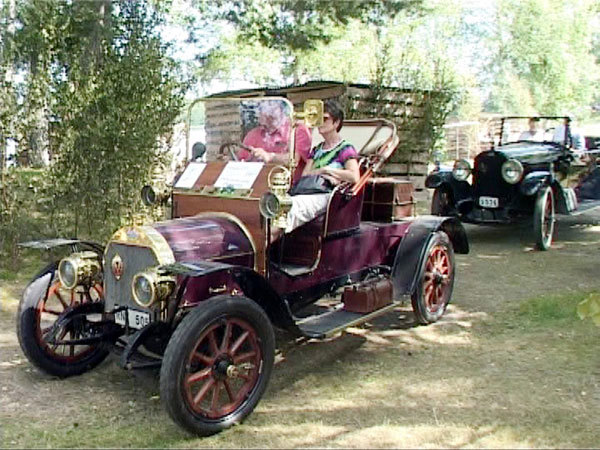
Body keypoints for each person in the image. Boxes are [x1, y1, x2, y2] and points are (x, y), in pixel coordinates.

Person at [285, 99, 360, 232]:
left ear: (336, 123)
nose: (320, 122)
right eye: (319, 119)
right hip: (309, 191)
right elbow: (305, 174)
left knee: (293, 207)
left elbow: (354, 176)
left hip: (327, 195)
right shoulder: (316, 150)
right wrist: (324, 172)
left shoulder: (345, 149)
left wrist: (327, 170)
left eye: (325, 119)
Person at [238, 100, 312, 181]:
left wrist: (270, 157)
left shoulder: (296, 130)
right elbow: (241, 162)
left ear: (281, 111)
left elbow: (294, 159)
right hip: (256, 183)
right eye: (261, 112)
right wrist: (251, 159)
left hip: (288, 184)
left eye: (269, 116)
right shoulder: (253, 134)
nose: (263, 121)